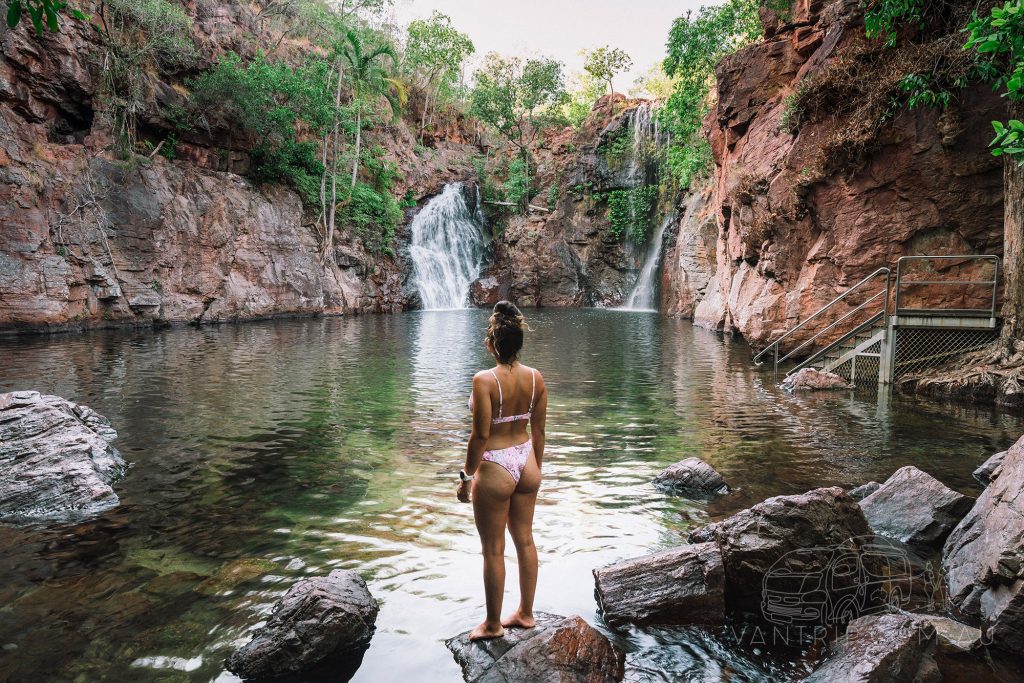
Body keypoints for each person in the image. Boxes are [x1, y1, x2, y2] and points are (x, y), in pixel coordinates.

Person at [457, 301, 548, 641]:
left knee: (493, 549)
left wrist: (466, 478)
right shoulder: (536, 379)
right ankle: (526, 613)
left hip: (495, 465)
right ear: (519, 343)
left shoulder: (484, 380)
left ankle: (493, 625)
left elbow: (480, 435)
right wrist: (535, 466)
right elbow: (538, 431)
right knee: (525, 540)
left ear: (492, 344)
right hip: (526, 461)